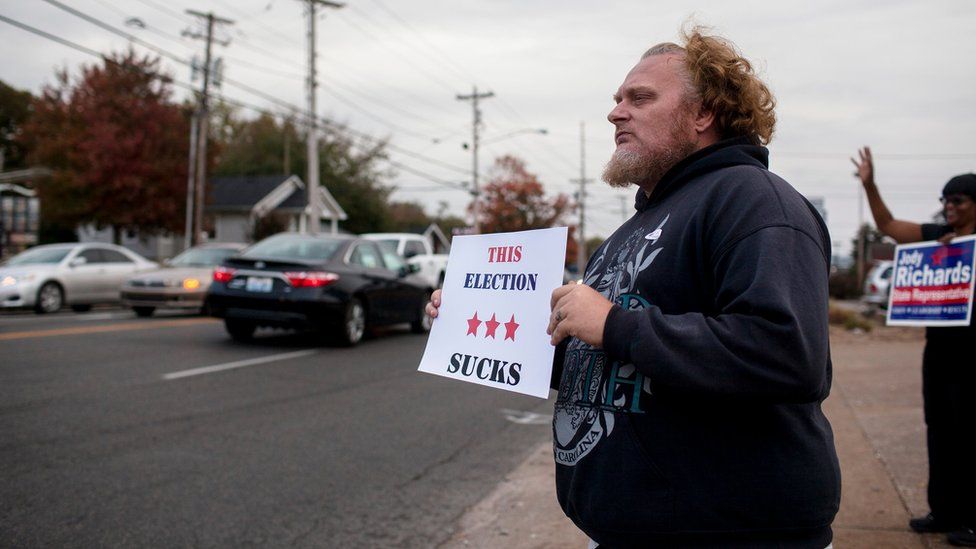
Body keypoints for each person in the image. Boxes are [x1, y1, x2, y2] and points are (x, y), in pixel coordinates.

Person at [428, 27, 840, 547]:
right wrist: (479, 327)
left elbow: (787, 353)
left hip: (731, 533)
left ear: (703, 114)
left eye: (639, 98)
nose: (616, 112)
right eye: (617, 100)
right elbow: (609, 364)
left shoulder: (755, 202)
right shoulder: (636, 227)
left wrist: (614, 323)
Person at [852, 147, 976, 547]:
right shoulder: (935, 239)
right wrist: (870, 185)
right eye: (944, 199)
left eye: (956, 199)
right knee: (939, 430)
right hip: (939, 352)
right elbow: (887, 224)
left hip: (973, 357)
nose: (948, 206)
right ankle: (944, 511)